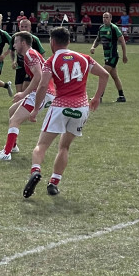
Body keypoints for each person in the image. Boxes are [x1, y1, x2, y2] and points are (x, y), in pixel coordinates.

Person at [22, 27, 109, 198]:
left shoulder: (51, 61)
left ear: (52, 42)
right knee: (64, 147)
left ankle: (35, 171)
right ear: (69, 41)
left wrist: (35, 110)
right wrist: (97, 97)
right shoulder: (85, 58)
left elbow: (42, 86)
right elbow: (105, 74)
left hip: (60, 106)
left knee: (42, 145)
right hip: (81, 108)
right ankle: (54, 183)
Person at [0, 31, 56, 161]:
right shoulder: (30, 54)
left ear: (23, 43)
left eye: (15, 42)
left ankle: (6, 153)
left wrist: (25, 93)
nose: (13, 45)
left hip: (42, 93)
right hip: (42, 92)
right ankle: (13, 146)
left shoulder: (30, 55)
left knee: (15, 120)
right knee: (12, 111)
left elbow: (39, 75)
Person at [89, 11, 128, 102]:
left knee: (103, 74)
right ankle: (122, 96)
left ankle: (98, 97)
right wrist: (93, 47)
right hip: (106, 56)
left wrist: (124, 55)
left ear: (110, 18)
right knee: (115, 76)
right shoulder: (101, 28)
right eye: (104, 17)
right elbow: (98, 39)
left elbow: (122, 41)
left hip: (113, 56)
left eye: (107, 17)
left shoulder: (114, 28)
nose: (105, 19)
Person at [10, 18, 45, 93]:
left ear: (30, 28)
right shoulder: (15, 37)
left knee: (25, 89)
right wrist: (13, 61)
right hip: (19, 67)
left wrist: (38, 65)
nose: (24, 29)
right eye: (22, 26)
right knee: (18, 91)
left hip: (30, 68)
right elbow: (12, 50)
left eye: (26, 27)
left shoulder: (34, 39)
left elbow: (42, 53)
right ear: (19, 27)